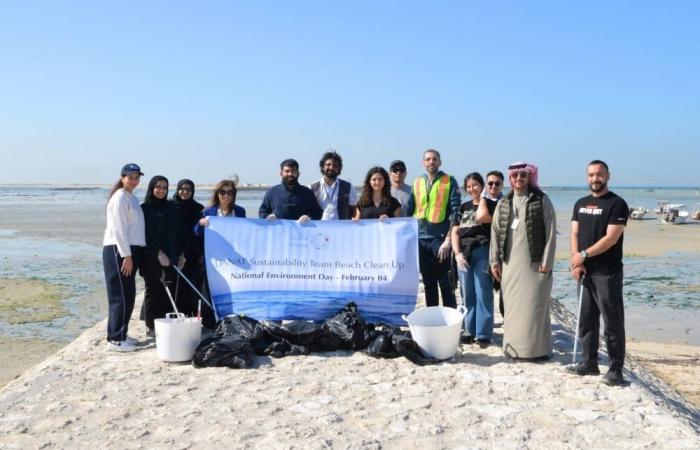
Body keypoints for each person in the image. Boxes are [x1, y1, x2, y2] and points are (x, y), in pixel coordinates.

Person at [568, 160, 629, 386]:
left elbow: (611, 238)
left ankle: (615, 370)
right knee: (586, 320)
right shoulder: (580, 203)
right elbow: (574, 233)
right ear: (587, 177)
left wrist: (583, 254)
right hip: (584, 271)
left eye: (599, 174)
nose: (595, 179)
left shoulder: (617, 204)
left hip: (607, 272)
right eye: (591, 175)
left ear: (608, 176)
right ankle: (589, 363)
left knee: (612, 321)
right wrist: (576, 261)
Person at [490, 162, 556, 360]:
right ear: (510, 179)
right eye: (515, 175)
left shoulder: (542, 201)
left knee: (535, 307)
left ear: (529, 178)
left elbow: (551, 232)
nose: (519, 179)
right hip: (510, 266)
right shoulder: (503, 203)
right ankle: (513, 349)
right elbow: (494, 232)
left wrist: (547, 261)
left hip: (536, 265)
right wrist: (494, 261)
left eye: (523, 175)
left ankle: (538, 351)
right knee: (512, 310)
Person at [407, 149, 461, 308]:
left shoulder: (449, 181)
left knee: (445, 280)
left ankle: (450, 317)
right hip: (421, 239)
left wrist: (449, 239)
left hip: (440, 238)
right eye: (428, 159)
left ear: (440, 162)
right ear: (423, 163)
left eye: (434, 159)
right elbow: (410, 211)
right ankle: (432, 317)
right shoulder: (417, 182)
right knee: (428, 282)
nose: (431, 162)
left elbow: (455, 212)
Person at [102, 163, 146, 352]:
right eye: (131, 177)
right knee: (119, 295)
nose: (134, 180)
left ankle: (122, 333)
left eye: (137, 177)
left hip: (130, 250)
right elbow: (119, 229)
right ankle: (115, 339)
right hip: (118, 250)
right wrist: (126, 256)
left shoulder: (132, 197)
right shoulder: (119, 197)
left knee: (128, 294)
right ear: (122, 177)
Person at [195, 179, 247, 328]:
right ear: (217, 194)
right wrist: (201, 224)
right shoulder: (208, 211)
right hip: (214, 259)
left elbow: (246, 232)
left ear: (234, 195)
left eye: (230, 192)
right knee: (213, 289)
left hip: (235, 258)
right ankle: (212, 322)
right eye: (222, 192)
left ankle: (234, 318)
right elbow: (196, 233)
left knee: (234, 287)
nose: (226, 195)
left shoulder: (240, 211)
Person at [451, 172, 494, 347]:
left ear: (482, 185)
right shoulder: (462, 208)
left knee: (483, 292)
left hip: (482, 250)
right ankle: (469, 330)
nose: (472, 189)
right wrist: (457, 253)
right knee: (467, 294)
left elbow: (484, 217)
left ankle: (483, 334)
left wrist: (483, 197)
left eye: (475, 185)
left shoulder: (491, 205)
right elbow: (454, 231)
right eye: (468, 186)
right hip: (464, 253)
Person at [140, 176, 183, 337]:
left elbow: (178, 233)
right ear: (152, 188)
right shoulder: (144, 208)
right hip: (151, 257)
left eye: (165, 187)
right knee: (153, 290)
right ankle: (151, 326)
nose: (161, 190)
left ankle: (165, 323)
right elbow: (146, 234)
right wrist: (158, 253)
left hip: (171, 255)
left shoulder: (171, 207)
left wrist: (181, 255)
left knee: (168, 290)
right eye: (158, 187)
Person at [171, 179, 204, 316]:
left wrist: (201, 253)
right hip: (174, 252)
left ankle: (190, 314)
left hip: (193, 252)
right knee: (174, 285)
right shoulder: (170, 206)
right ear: (178, 189)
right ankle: (175, 313)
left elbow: (202, 233)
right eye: (182, 189)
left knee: (192, 285)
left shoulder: (198, 208)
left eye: (189, 189)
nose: (185, 192)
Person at [477, 170, 505, 319]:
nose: (493, 186)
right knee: (486, 287)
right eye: (490, 183)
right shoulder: (483, 201)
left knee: (504, 289)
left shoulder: (507, 201)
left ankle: (507, 319)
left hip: (503, 249)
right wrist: (483, 196)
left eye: (497, 183)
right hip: (486, 248)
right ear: (485, 185)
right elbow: (481, 216)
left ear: (502, 185)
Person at [309, 151, 358, 220]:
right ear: (322, 167)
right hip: (319, 229)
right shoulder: (312, 188)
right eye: (328, 164)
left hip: (341, 229)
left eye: (335, 165)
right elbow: (307, 210)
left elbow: (353, 212)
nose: (331, 167)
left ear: (339, 168)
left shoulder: (349, 187)